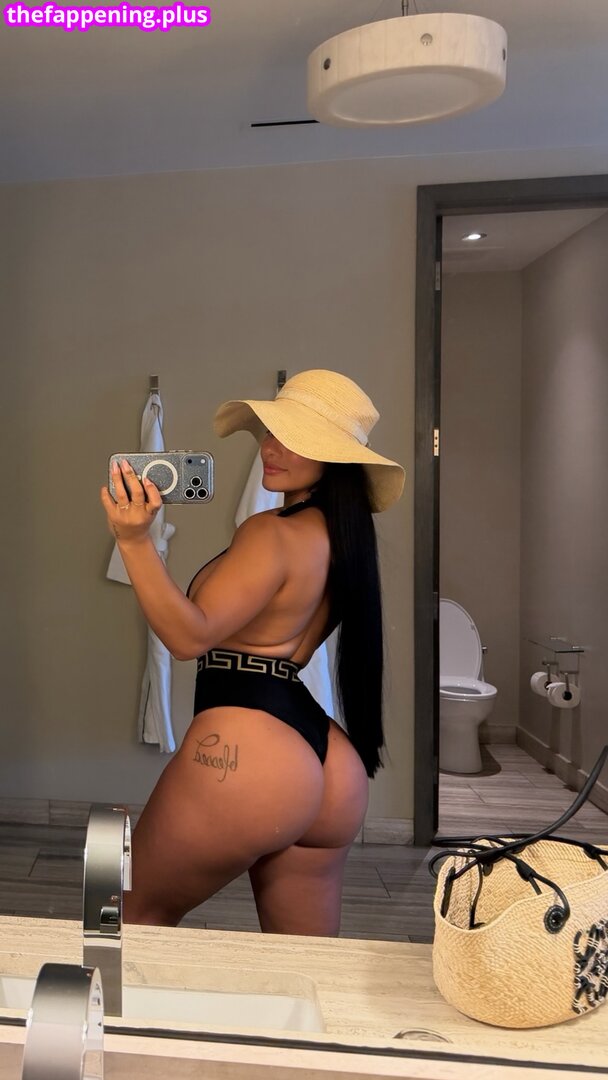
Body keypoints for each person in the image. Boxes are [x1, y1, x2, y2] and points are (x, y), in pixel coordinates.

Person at [100, 369, 405, 935]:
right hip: (328, 760)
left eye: (295, 438)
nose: (270, 448)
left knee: (129, 921)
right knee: (305, 967)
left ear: (334, 458)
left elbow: (189, 637)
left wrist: (134, 540)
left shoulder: (272, 532)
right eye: (269, 432)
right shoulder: (341, 539)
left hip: (250, 752)